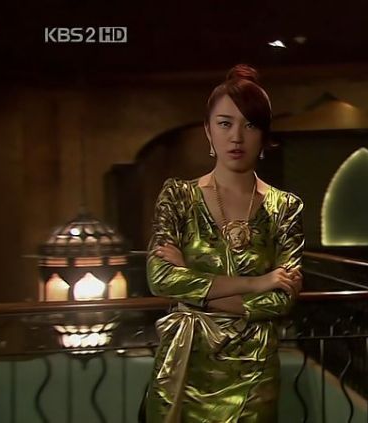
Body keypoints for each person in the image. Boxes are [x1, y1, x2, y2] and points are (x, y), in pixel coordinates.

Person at [144, 64, 304, 422]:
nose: (236, 137)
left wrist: (191, 287)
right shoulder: (178, 197)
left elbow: (280, 299)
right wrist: (257, 283)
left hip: (254, 368)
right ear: (208, 130)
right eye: (225, 123)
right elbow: (161, 278)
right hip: (186, 363)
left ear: (264, 135)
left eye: (250, 125)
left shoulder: (285, 207)